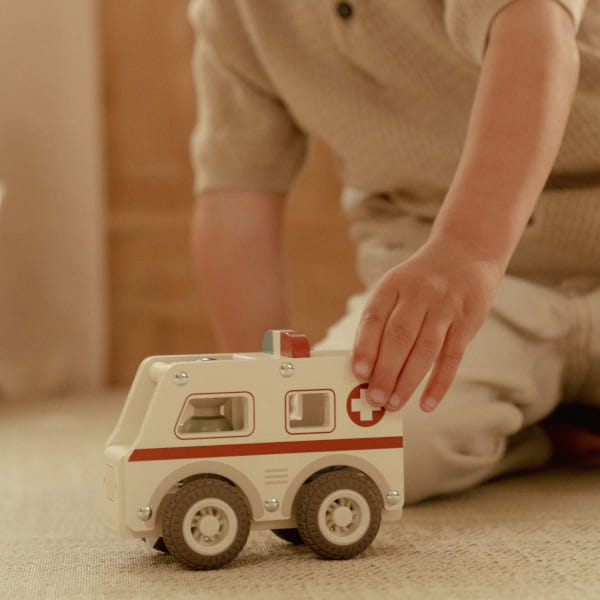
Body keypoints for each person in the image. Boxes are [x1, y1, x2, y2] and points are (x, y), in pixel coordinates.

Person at [187, 0, 600, 503]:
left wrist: (466, 250)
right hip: (455, 302)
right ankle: (539, 431)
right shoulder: (234, 14)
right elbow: (236, 192)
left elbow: (536, 34)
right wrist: (261, 394)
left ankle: (530, 413)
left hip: (472, 264)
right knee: (338, 452)